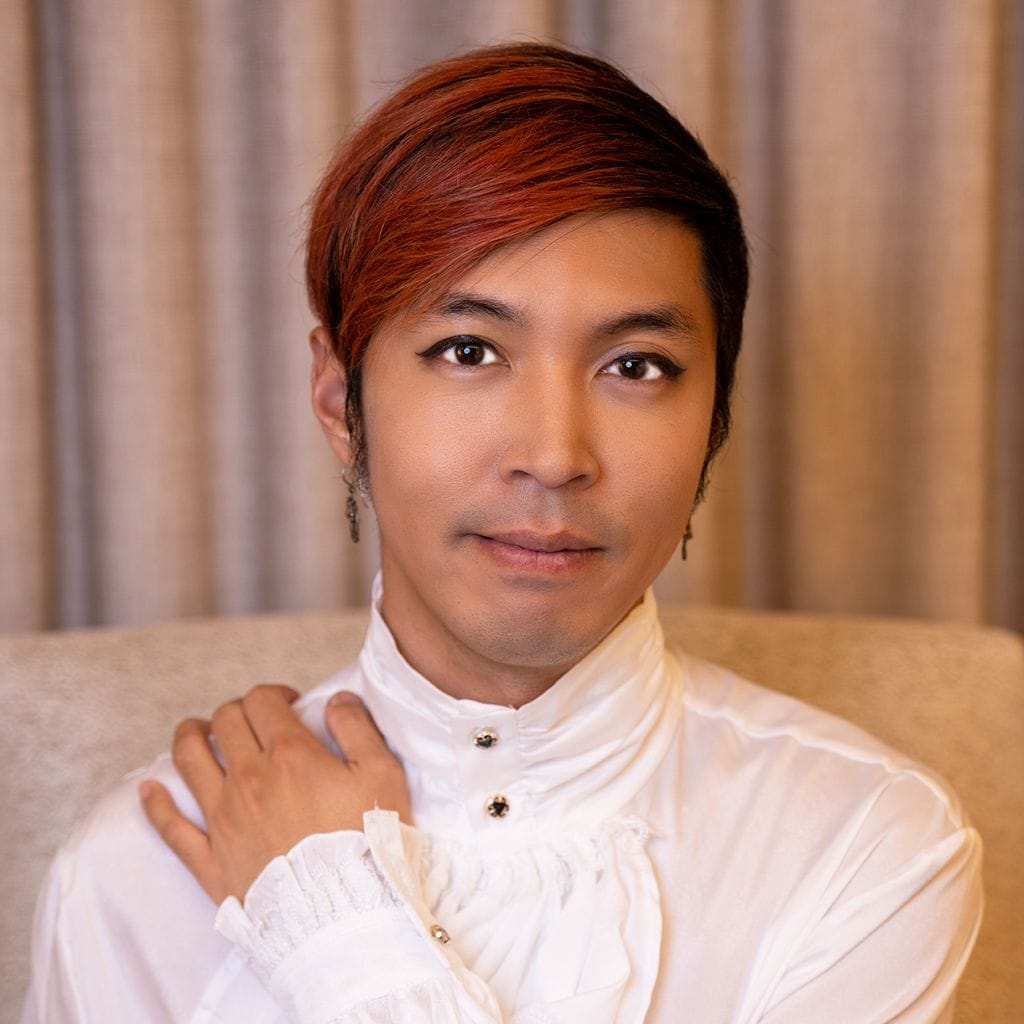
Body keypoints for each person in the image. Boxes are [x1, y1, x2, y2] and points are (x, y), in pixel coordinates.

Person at [23, 42, 981, 1023]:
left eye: (636, 366)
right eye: (468, 350)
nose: (555, 455)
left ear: (715, 418)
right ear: (340, 400)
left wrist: (334, 928)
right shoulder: (132, 880)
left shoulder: (865, 847)